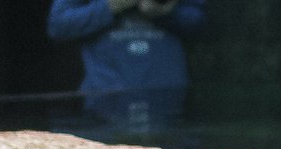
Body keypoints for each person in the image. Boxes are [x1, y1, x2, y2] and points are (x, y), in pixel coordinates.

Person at [47, 0, 206, 129]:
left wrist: (165, 13)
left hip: (168, 96)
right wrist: (112, 5)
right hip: (105, 98)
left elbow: (201, 22)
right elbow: (59, 25)